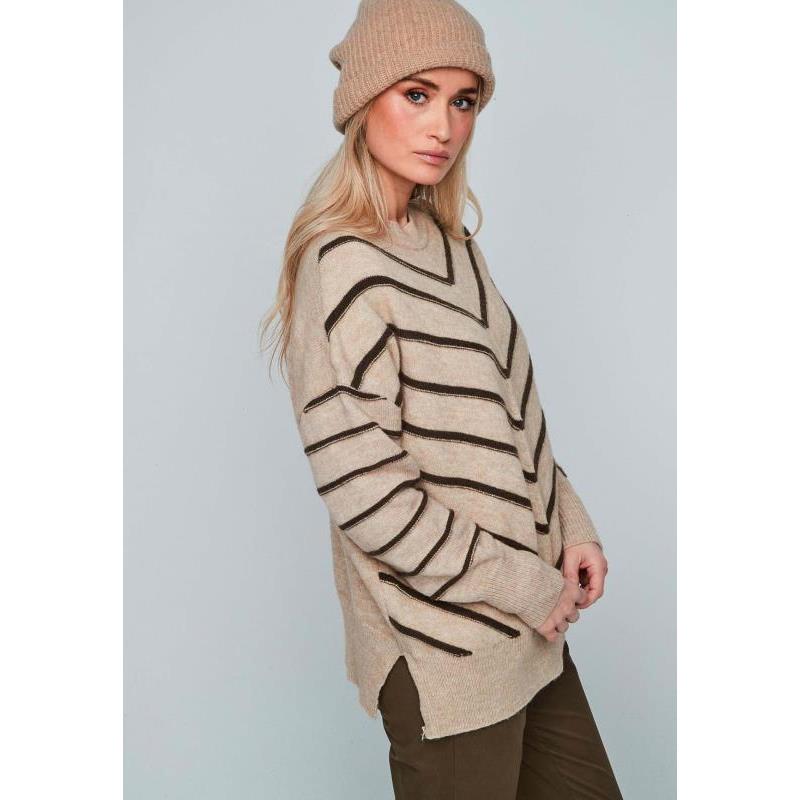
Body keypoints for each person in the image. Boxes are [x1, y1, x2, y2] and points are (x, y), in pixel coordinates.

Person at [260, 1, 623, 797]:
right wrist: (527, 585)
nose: (445, 127)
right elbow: (369, 498)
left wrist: (571, 524)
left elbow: (509, 415)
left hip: (527, 629)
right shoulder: (342, 267)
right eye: (417, 94)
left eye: (464, 101)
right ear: (364, 101)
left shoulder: (451, 245)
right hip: (442, 646)